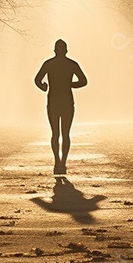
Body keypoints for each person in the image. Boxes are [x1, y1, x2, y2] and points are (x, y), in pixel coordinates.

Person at [34, 39, 87, 175]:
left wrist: (44, 87)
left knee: (55, 133)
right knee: (65, 134)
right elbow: (83, 81)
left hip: (53, 102)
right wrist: (70, 85)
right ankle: (63, 163)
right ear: (66, 50)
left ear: (54, 50)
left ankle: (57, 161)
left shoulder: (49, 64)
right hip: (67, 102)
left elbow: (37, 80)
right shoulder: (71, 64)